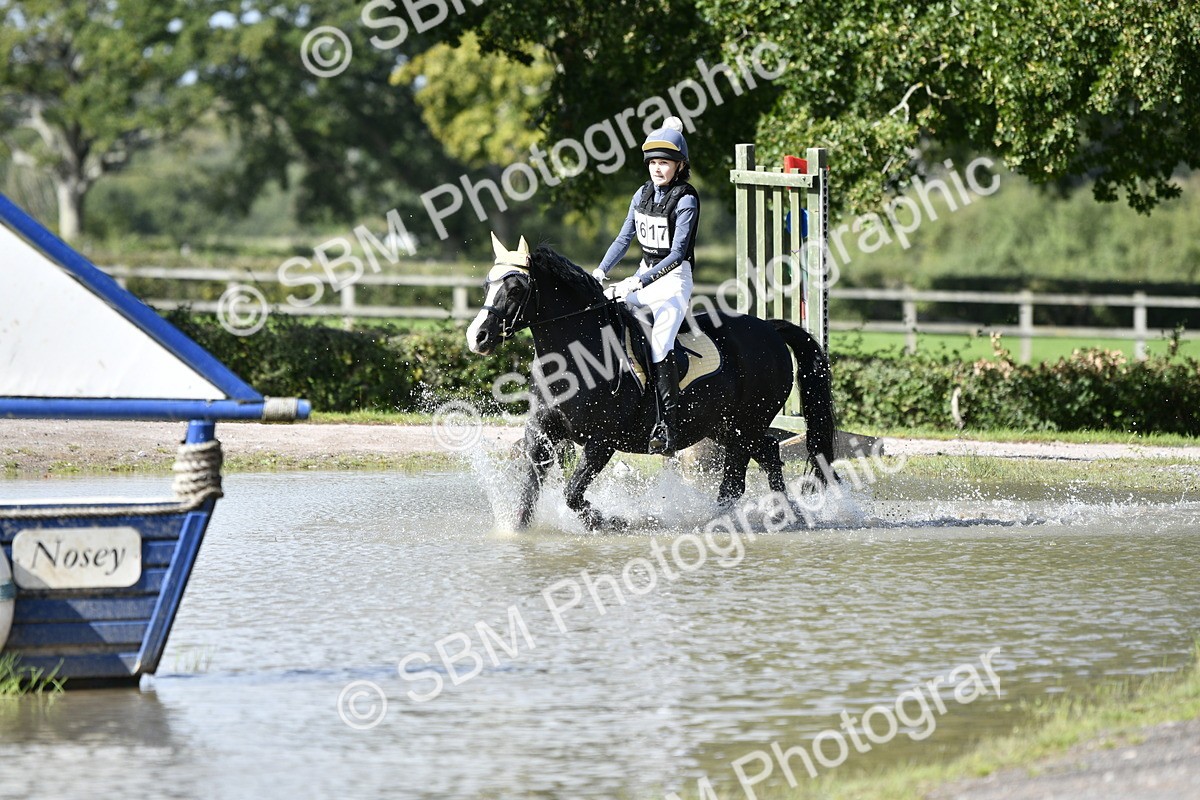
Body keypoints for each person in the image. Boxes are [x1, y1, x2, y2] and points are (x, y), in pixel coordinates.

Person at [593, 116, 698, 457]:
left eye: (664, 163)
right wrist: (601, 272)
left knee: (658, 344)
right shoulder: (641, 194)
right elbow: (624, 238)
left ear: (679, 165)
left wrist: (640, 280)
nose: (657, 168)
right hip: (642, 275)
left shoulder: (686, 199)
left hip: (672, 283)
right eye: (653, 162)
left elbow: (679, 254)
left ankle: (668, 424)